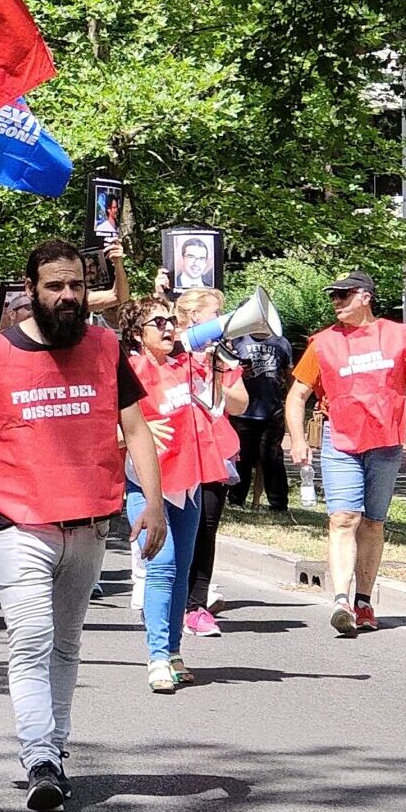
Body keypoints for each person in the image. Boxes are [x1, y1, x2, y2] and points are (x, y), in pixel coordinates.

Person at [0, 239, 161, 812]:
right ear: (30, 291)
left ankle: (54, 754)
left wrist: (155, 504)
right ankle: (39, 757)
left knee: (66, 643)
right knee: (32, 639)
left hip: (90, 519)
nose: (68, 297)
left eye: (76, 286)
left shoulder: (106, 347)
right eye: (55, 287)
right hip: (17, 520)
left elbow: (136, 429)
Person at [284, 270, 406, 635]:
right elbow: (296, 396)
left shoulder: (398, 336)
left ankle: (363, 601)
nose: (336, 303)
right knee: (343, 519)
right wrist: (298, 438)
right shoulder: (323, 343)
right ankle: (340, 600)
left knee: (373, 522)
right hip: (341, 442)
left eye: (344, 296)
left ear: (365, 297)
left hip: (385, 441)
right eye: (333, 297)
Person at [124, 296, 245, 690]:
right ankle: (157, 656)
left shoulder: (189, 363)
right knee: (162, 565)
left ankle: (174, 650)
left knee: (181, 572)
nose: (167, 328)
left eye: (169, 320)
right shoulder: (129, 370)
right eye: (156, 322)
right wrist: (129, 434)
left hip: (189, 480)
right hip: (147, 484)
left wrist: (219, 362)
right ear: (138, 335)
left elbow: (224, 404)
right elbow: (100, 426)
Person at [226, 308, 295, 514]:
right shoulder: (238, 341)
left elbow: (289, 374)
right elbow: (227, 368)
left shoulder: (281, 342)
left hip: (271, 409)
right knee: (242, 459)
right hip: (244, 411)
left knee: (272, 459)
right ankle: (236, 499)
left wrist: (290, 400)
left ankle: (278, 504)